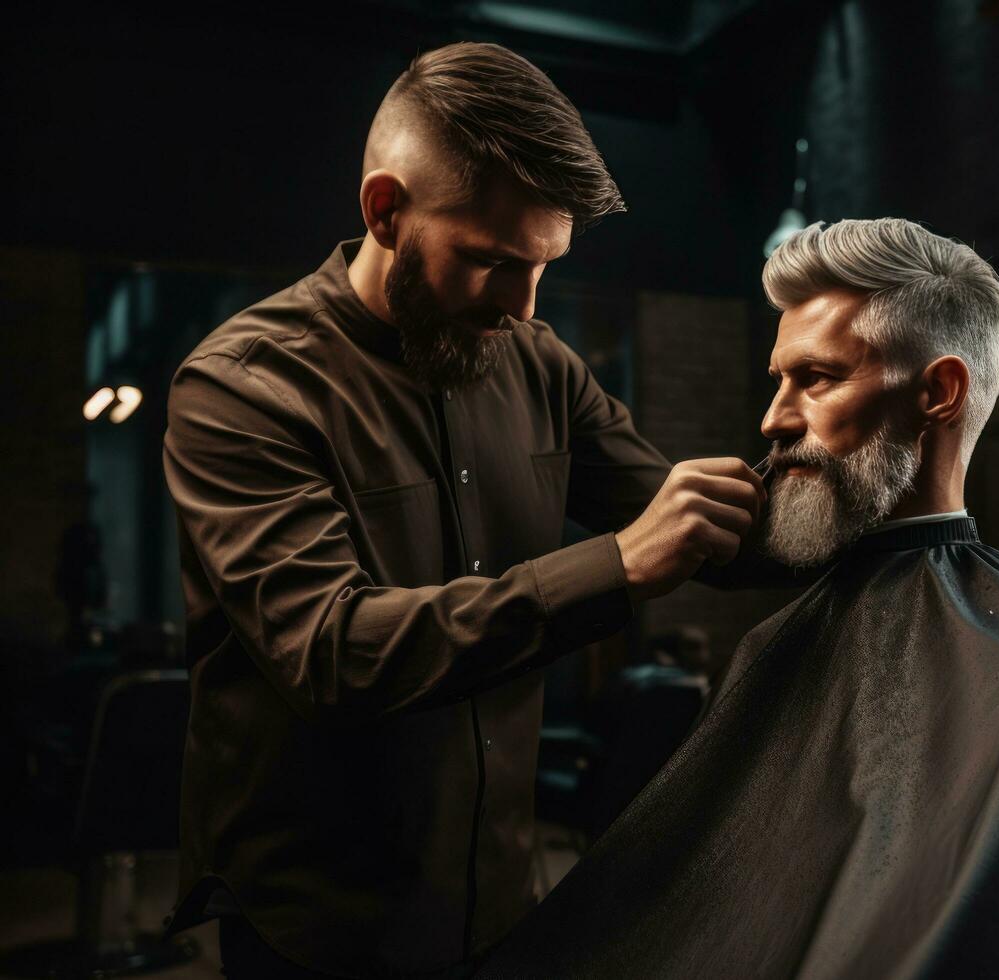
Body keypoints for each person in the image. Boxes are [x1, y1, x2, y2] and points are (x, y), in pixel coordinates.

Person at [479, 219, 999, 979]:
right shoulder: (780, 641)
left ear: (939, 392)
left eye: (815, 378)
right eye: (779, 381)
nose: (773, 418)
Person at [161, 42, 770, 979]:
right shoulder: (244, 391)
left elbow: (701, 530)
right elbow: (332, 650)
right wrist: (613, 566)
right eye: (491, 261)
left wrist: (871, 479)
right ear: (385, 210)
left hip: (500, 900)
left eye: (544, 265)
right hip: (318, 930)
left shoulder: (538, 363)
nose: (525, 307)